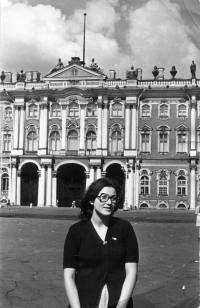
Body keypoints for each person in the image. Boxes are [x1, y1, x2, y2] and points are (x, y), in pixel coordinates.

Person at [63, 178, 139, 308]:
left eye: (113, 198)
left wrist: (121, 306)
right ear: (92, 200)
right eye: (104, 197)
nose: (109, 202)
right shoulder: (76, 231)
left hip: (118, 301)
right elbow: (68, 275)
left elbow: (131, 272)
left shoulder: (124, 228)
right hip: (84, 302)